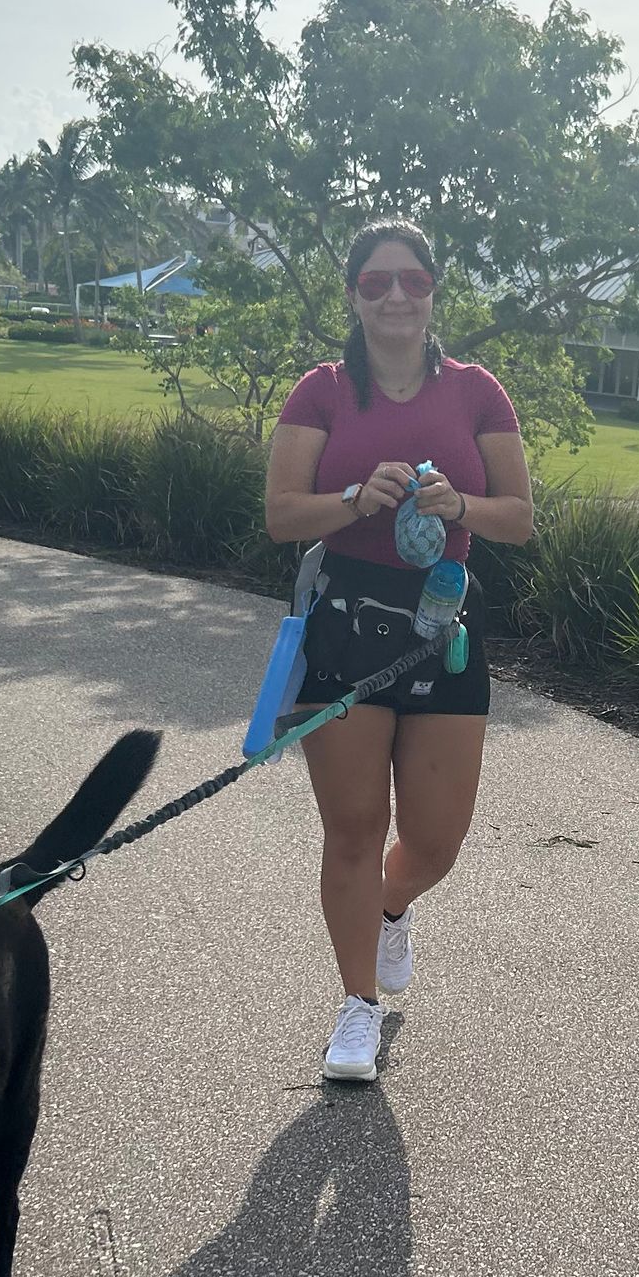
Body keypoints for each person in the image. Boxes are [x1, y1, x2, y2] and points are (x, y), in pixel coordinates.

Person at [265, 221, 535, 1082]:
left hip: (443, 629)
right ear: (353, 294)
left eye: (412, 281)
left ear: (432, 293)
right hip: (345, 621)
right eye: (376, 281)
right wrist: (351, 497)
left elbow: (520, 519)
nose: (394, 296)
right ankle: (356, 1010)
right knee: (353, 828)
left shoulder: (477, 392)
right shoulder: (320, 392)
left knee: (435, 841)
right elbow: (281, 515)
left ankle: (391, 905)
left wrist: (458, 505)